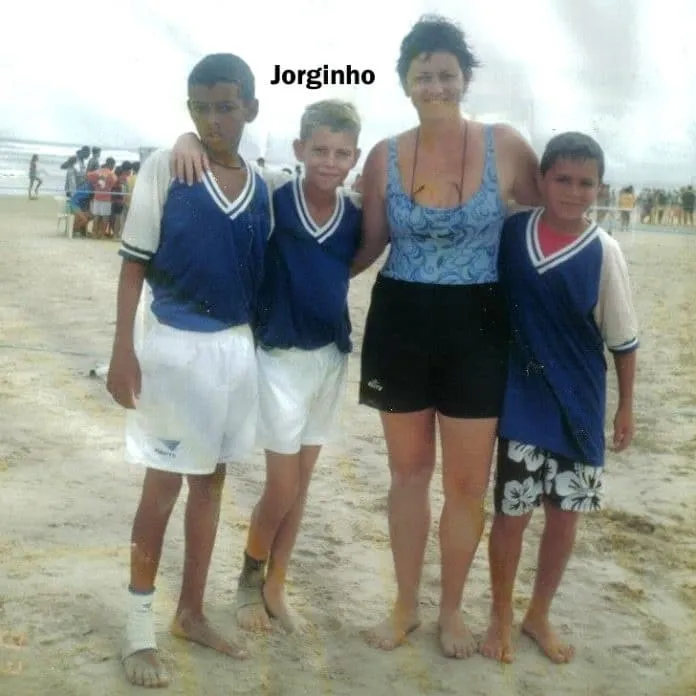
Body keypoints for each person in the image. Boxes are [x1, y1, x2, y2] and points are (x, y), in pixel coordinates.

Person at [349, 15, 541, 658]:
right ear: (406, 82)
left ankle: (452, 610)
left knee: (464, 484)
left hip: (478, 324)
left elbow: (546, 229)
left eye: (447, 74)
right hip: (400, 320)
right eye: (423, 75)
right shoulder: (384, 155)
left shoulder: (506, 146)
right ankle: (405, 605)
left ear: (464, 79)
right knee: (407, 474)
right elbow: (369, 245)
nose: (436, 85)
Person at [106, 52, 271, 688]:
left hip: (236, 350)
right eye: (199, 108)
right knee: (162, 487)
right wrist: (124, 348)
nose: (211, 120)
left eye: (225, 106)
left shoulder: (264, 184)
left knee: (211, 483)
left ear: (251, 108)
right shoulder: (166, 168)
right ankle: (137, 628)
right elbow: (132, 264)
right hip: (174, 348)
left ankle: (192, 612)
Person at [169, 99, 363, 634]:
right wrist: (188, 141)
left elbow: (356, 259)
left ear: (355, 157)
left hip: (330, 358)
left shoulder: (353, 213)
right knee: (281, 487)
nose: (330, 161)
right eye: (319, 150)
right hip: (278, 358)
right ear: (299, 150)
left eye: (342, 153)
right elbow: (220, 161)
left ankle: (277, 584)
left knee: (301, 486)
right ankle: (248, 584)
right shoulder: (274, 195)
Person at [480, 132, 638, 665]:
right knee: (512, 513)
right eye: (563, 179)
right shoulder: (510, 232)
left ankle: (537, 613)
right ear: (542, 180)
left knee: (565, 517)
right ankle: (500, 613)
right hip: (521, 400)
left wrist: (626, 405)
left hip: (581, 403)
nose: (573, 191)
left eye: (585, 182)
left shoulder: (604, 251)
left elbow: (622, 338)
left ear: (599, 187)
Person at [87, 157, 117, 238]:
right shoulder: (111, 174)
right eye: (113, 165)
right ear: (111, 164)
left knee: (96, 215)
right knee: (105, 217)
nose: (113, 167)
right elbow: (114, 182)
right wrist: (108, 186)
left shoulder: (98, 171)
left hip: (97, 197)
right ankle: (102, 234)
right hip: (106, 198)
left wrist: (95, 184)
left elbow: (88, 175)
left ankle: (94, 233)